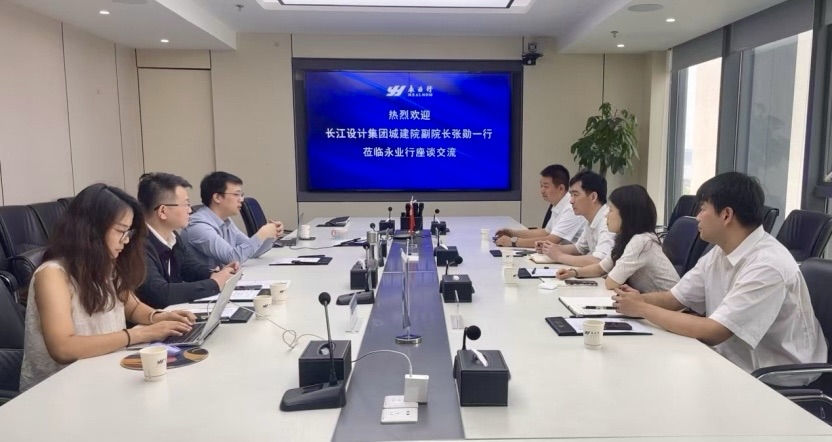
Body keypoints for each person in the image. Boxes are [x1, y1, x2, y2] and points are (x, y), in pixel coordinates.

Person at [613, 172, 826, 385]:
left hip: (774, 377)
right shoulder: (720, 250)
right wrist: (635, 300)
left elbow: (714, 332)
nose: (697, 216)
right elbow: (674, 299)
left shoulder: (768, 265)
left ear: (726, 215)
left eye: (703, 208)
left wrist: (643, 308)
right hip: (730, 360)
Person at [20, 184, 196, 392]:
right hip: (60, 390)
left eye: (129, 232)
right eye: (120, 231)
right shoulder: (52, 274)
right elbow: (63, 348)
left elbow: (131, 307)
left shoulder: (105, 264)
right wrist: (139, 334)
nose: (126, 240)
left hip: (105, 375)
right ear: (90, 230)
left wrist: (158, 317)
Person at [136, 173, 239, 309]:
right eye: (186, 204)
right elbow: (161, 294)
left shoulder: (172, 235)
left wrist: (215, 274)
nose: (190, 210)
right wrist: (214, 284)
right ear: (163, 211)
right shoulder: (138, 246)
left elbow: (188, 267)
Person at [555, 185, 679, 293]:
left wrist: (609, 275)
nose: (606, 215)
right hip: (649, 303)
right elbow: (600, 268)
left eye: (610, 210)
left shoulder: (641, 241)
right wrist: (574, 272)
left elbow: (611, 283)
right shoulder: (626, 239)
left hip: (669, 308)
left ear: (626, 215)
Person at [181, 172, 283, 268]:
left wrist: (271, 234)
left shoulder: (226, 220)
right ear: (217, 197)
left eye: (241, 195)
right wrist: (262, 234)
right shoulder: (198, 226)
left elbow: (253, 251)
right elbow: (233, 258)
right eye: (236, 194)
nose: (241, 199)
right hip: (207, 280)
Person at [495, 165, 585, 248]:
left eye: (546, 186)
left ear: (561, 188)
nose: (542, 190)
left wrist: (514, 242)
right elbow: (545, 232)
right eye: (541, 186)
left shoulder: (571, 208)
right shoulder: (559, 205)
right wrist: (512, 233)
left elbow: (551, 240)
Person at [538, 170, 616, 266]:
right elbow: (579, 248)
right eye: (571, 195)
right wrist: (551, 248)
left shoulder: (607, 220)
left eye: (575, 195)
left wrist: (560, 256)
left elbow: (599, 261)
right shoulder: (590, 219)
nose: (571, 201)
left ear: (593, 197)